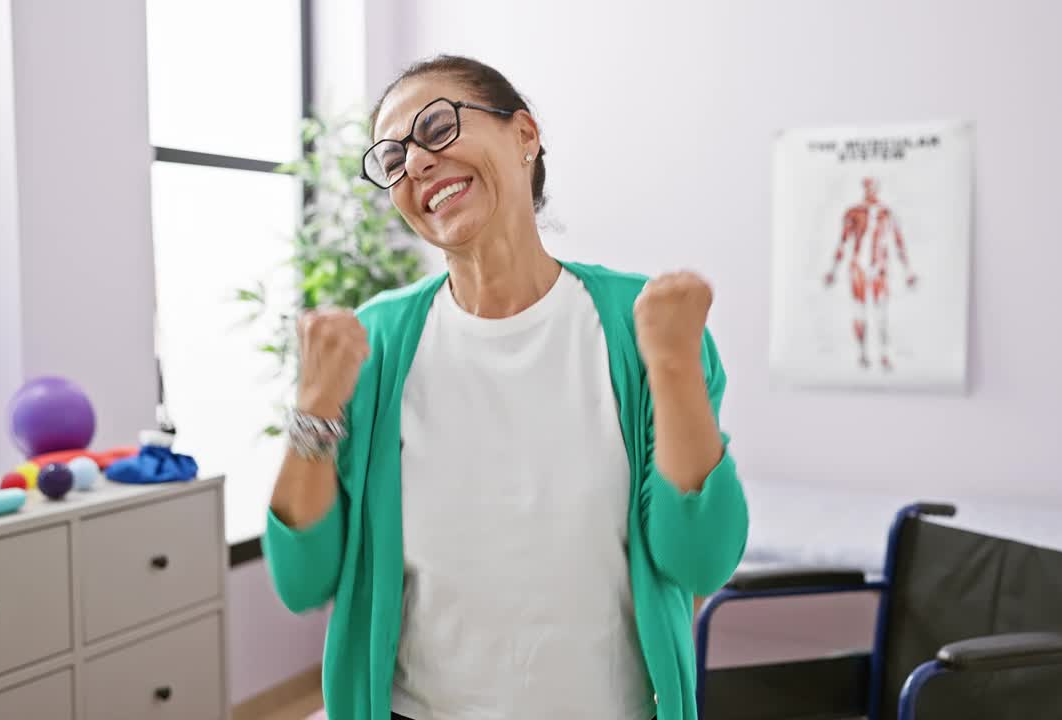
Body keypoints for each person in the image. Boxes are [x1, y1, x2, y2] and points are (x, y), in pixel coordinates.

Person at [265, 55, 748, 720]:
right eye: (393, 159)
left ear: (525, 135)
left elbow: (701, 561)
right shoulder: (376, 343)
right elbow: (302, 580)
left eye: (437, 127)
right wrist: (315, 406)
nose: (418, 163)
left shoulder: (644, 326)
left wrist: (673, 368)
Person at [823, 177, 918, 371]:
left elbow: (898, 242)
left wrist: (907, 271)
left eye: (873, 187)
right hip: (858, 266)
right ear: (864, 189)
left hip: (879, 267)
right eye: (868, 187)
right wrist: (833, 270)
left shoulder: (887, 214)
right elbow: (842, 242)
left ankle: (883, 354)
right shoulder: (853, 213)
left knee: (881, 311)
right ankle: (862, 354)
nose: (871, 190)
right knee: (860, 310)